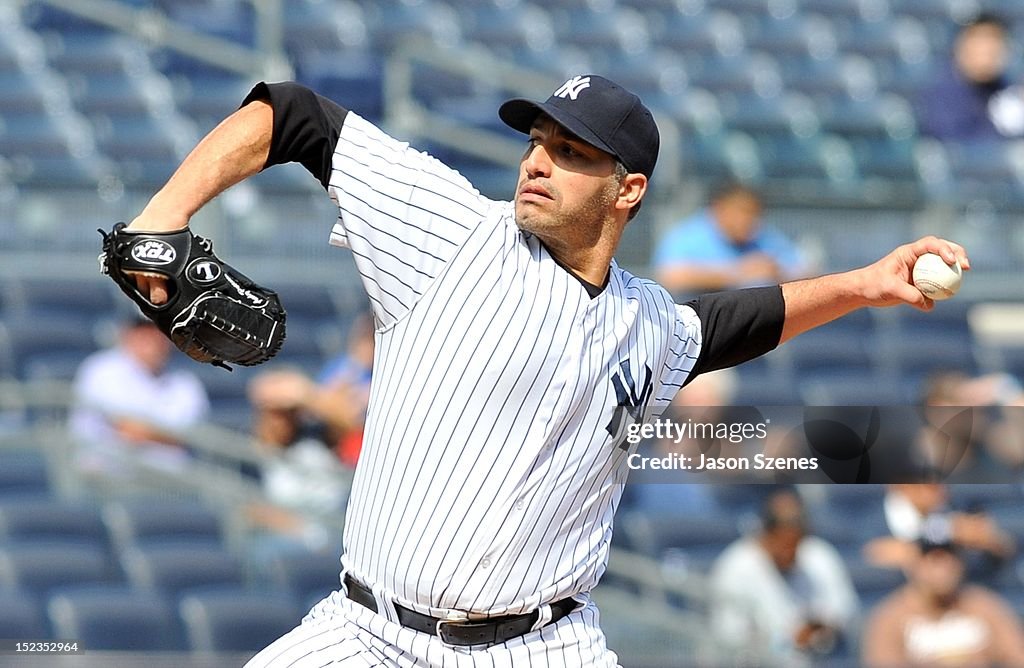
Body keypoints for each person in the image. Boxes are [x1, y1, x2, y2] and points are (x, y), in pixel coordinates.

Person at [119, 71, 969, 666]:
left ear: (627, 190)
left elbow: (733, 322)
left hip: (545, 647)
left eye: (570, 152)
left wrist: (862, 284)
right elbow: (294, 113)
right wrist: (163, 217)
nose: (536, 161)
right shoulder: (456, 234)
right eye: (537, 140)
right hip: (365, 637)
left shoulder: (647, 323)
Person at [708, 488, 860, 666]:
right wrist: (788, 640)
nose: (791, 553)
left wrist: (824, 627)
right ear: (766, 534)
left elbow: (846, 610)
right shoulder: (735, 569)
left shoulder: (817, 554)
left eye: (796, 545)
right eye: (784, 545)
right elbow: (730, 639)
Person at [69, 316, 209, 476]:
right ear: (127, 334)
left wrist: (149, 432)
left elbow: (189, 436)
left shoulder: (185, 382)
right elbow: (127, 428)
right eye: (144, 330)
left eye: (161, 329)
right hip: (108, 479)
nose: (153, 337)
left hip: (171, 485)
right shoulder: (102, 369)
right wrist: (165, 436)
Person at [862, 534, 1024, 667]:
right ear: (914, 564)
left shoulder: (984, 606)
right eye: (932, 558)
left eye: (949, 557)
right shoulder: (890, 616)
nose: (942, 567)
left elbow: (1017, 657)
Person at [248, 313, 374, 469]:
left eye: (369, 338)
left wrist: (303, 393)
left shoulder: (381, 378)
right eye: (364, 337)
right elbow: (262, 389)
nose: (365, 345)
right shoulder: (342, 364)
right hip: (303, 449)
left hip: (344, 461)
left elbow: (351, 420)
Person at [653, 182, 811, 296]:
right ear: (719, 209)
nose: (748, 220)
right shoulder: (688, 235)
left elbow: (806, 271)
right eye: (741, 212)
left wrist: (778, 273)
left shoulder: (763, 236)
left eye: (754, 213)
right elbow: (671, 277)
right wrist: (738, 273)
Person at [918, 13, 1024, 142]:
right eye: (982, 45)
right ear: (961, 46)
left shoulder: (1002, 86)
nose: (988, 54)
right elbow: (956, 145)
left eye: (995, 46)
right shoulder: (940, 94)